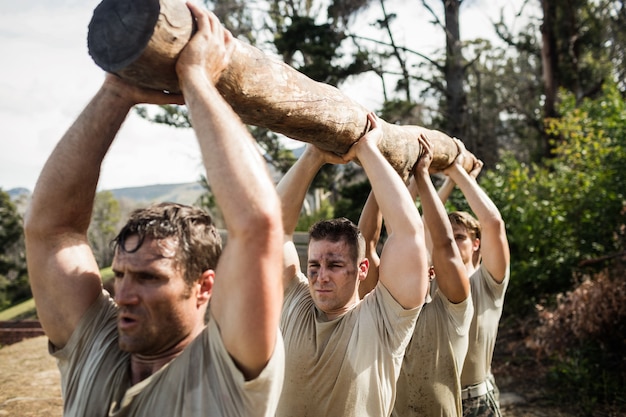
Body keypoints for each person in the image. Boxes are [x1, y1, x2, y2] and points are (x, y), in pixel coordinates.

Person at [23, 4, 285, 416]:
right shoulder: (96, 345)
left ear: (204, 287)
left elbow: (257, 223)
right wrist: (116, 93)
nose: (123, 294)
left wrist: (197, 78)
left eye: (148, 278)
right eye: (122, 274)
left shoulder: (227, 367)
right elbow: (51, 230)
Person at [275, 113, 429, 417]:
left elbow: (408, 235)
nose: (320, 276)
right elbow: (274, 232)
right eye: (315, 265)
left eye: (334, 265)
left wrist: (367, 150)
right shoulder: (295, 301)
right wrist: (313, 155)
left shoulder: (385, 319)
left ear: (362, 270)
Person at [358, 134, 473, 416]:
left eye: (418, 266)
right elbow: (365, 243)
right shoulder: (381, 313)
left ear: (431, 274)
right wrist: (384, 169)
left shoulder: (452, 312)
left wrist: (422, 176)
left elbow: (445, 246)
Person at [439, 140, 511, 417]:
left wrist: (459, 174)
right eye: (447, 237)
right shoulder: (433, 281)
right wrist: (447, 185)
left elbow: (493, 224)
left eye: (459, 237)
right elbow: (418, 230)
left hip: (476, 401)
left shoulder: (488, 281)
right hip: (432, 398)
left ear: (476, 244)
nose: (452, 243)